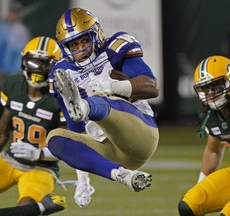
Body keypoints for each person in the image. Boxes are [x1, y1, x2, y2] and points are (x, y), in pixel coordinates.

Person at [16, 7, 159, 197]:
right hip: (109, 149)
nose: (80, 49)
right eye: (73, 45)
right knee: (55, 138)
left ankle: (87, 106)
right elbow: (78, 134)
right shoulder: (62, 74)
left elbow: (151, 87)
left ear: (96, 35)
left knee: (100, 98)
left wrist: (113, 86)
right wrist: (82, 181)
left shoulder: (114, 50)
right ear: (65, 48)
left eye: (85, 40)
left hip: (141, 134)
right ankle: (121, 175)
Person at [0, 36, 67, 216]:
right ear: (24, 61)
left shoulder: (60, 98)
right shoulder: (13, 85)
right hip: (10, 159)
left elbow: (67, 145)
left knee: (25, 209)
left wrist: (38, 153)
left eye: (44, 64)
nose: (38, 69)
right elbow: (2, 130)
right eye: (34, 63)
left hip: (41, 168)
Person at [178, 55, 230, 215]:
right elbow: (213, 150)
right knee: (190, 204)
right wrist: (202, 182)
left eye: (216, 86)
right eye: (205, 88)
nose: (211, 93)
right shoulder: (212, 115)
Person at [0, 0, 31, 92]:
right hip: (5, 73)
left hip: (20, 73)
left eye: (17, 12)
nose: (14, 14)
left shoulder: (22, 29)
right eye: (12, 12)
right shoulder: (0, 28)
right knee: (5, 98)